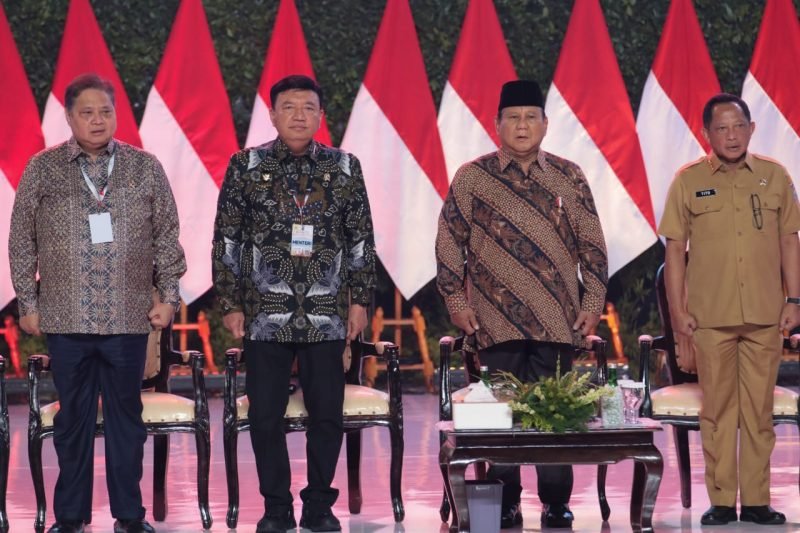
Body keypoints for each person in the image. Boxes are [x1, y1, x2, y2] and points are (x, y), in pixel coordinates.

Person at [9, 73, 186, 533]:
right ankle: (70, 517)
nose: (97, 120)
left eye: (105, 111)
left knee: (127, 421)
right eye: (86, 113)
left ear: (116, 115)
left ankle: (129, 516)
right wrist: (28, 301)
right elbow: (21, 240)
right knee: (73, 422)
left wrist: (169, 297)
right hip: (66, 317)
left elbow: (167, 235)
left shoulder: (144, 166)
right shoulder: (42, 168)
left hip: (128, 318)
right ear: (69, 117)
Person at [435, 79, 608, 529]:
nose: (522, 125)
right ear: (497, 125)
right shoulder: (473, 176)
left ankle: (555, 501)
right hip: (494, 319)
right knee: (500, 412)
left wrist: (593, 300)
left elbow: (591, 243)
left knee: (557, 411)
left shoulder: (569, 175)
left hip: (557, 317)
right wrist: (455, 299)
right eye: (513, 117)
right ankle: (504, 500)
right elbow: (449, 240)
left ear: (546, 124)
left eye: (531, 117)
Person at [212, 74, 376, 533]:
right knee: (265, 416)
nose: (299, 115)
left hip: (326, 313)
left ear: (321, 115)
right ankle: (276, 507)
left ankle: (319, 505)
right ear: (272, 114)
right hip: (265, 312)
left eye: (308, 107)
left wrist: (361, 300)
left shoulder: (344, 167)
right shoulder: (245, 165)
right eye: (289, 107)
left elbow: (361, 239)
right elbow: (226, 238)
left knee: (327, 415)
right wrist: (229, 301)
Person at [660, 93, 800, 527]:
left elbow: (790, 240)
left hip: (764, 315)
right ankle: (721, 500)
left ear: (751, 129)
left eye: (739, 126)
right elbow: (675, 250)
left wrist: (794, 300)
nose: (732, 135)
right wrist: (678, 313)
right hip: (709, 317)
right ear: (707, 134)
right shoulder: (688, 180)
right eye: (722, 128)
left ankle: (757, 501)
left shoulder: (775, 176)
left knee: (758, 414)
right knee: (717, 412)